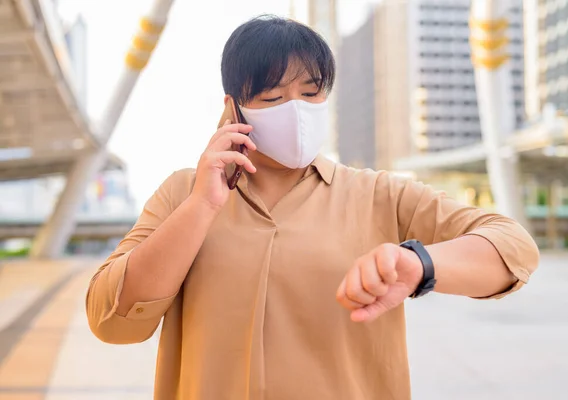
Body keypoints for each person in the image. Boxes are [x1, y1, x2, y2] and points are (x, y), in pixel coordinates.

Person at [86, 15, 540, 400]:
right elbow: (110, 320)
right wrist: (202, 206)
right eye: (271, 97)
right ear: (233, 108)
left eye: (310, 92)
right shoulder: (181, 193)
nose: (296, 110)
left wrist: (419, 263)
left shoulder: (380, 194)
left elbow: (512, 248)